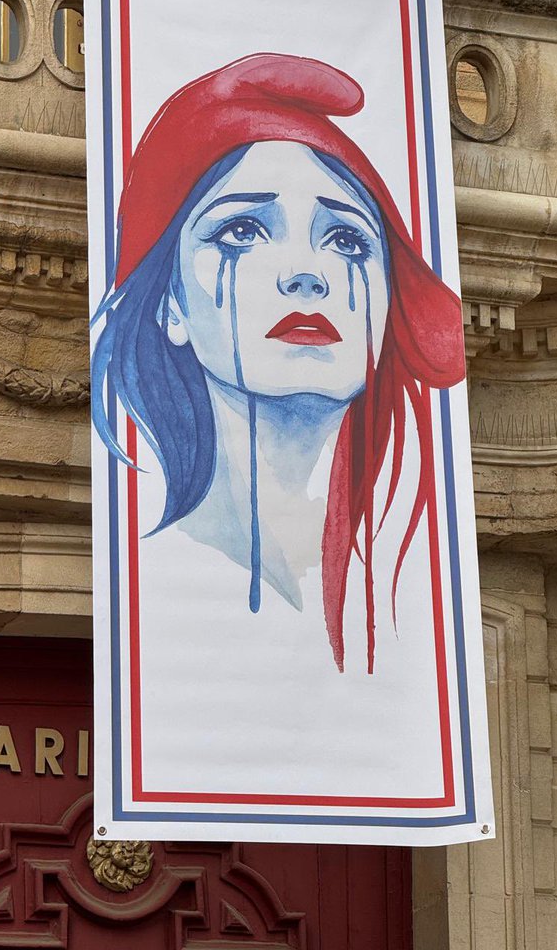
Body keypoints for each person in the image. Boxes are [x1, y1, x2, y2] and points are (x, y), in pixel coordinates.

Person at [91, 53, 465, 672]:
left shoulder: (404, 604)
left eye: (346, 240)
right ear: (170, 306)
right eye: (241, 231)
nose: (306, 274)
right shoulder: (165, 561)